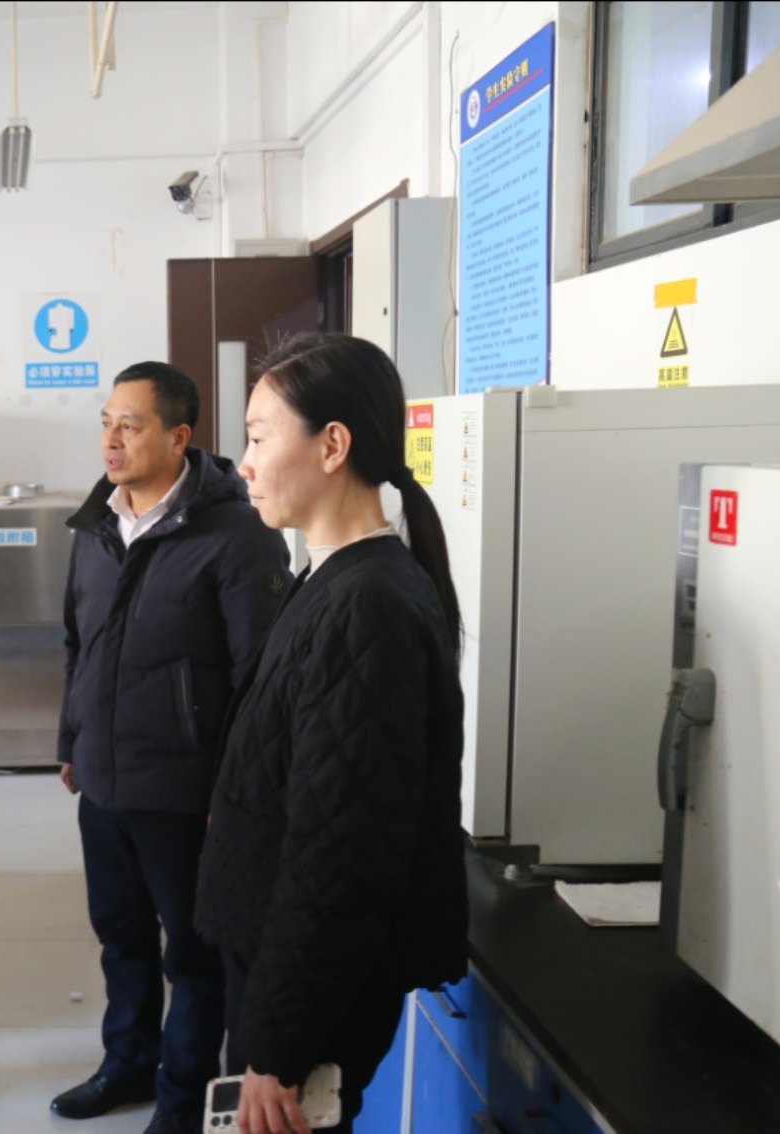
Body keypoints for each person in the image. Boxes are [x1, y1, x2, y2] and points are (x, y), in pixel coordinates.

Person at [195, 333, 468, 1134]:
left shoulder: (368, 607)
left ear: (332, 445)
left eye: (258, 437)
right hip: (284, 969)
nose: (244, 464)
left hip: (309, 997)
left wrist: (277, 1048)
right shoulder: (331, 576)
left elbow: (340, 857)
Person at [51, 363, 292, 1134]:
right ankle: (126, 1064)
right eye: (106, 422)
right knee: (119, 937)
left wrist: (236, 791)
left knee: (192, 955)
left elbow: (260, 678)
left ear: (179, 436)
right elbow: (78, 643)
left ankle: (183, 1098)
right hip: (103, 781)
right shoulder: (97, 524)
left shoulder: (236, 533)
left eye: (131, 425)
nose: (111, 439)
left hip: (185, 791)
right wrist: (71, 739)